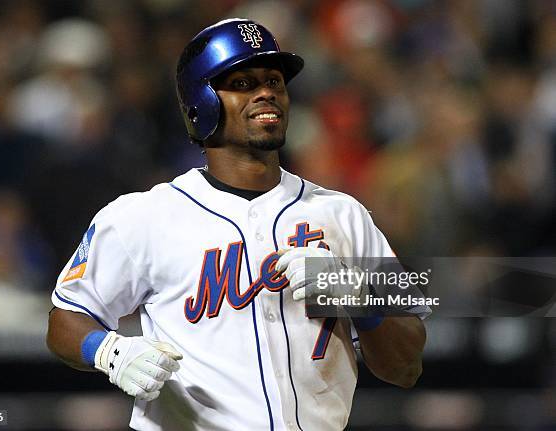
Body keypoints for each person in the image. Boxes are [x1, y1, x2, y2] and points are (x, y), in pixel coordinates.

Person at [47, 18, 427, 431]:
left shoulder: (346, 215)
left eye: (275, 82)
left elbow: (407, 363)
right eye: (243, 83)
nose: (267, 93)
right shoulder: (141, 217)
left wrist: (358, 297)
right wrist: (108, 350)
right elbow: (66, 316)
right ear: (201, 100)